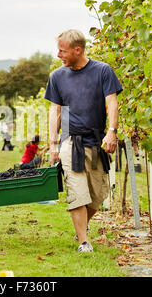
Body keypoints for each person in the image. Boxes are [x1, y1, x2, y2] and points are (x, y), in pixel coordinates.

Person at [44, 29, 122, 253]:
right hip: (71, 142)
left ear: (78, 50)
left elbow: (112, 103)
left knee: (97, 195)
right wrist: (53, 145)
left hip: (97, 140)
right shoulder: (57, 76)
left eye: (62, 50)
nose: (58, 55)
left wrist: (112, 131)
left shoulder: (102, 71)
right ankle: (83, 242)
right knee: (77, 190)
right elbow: (55, 112)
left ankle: (81, 228)